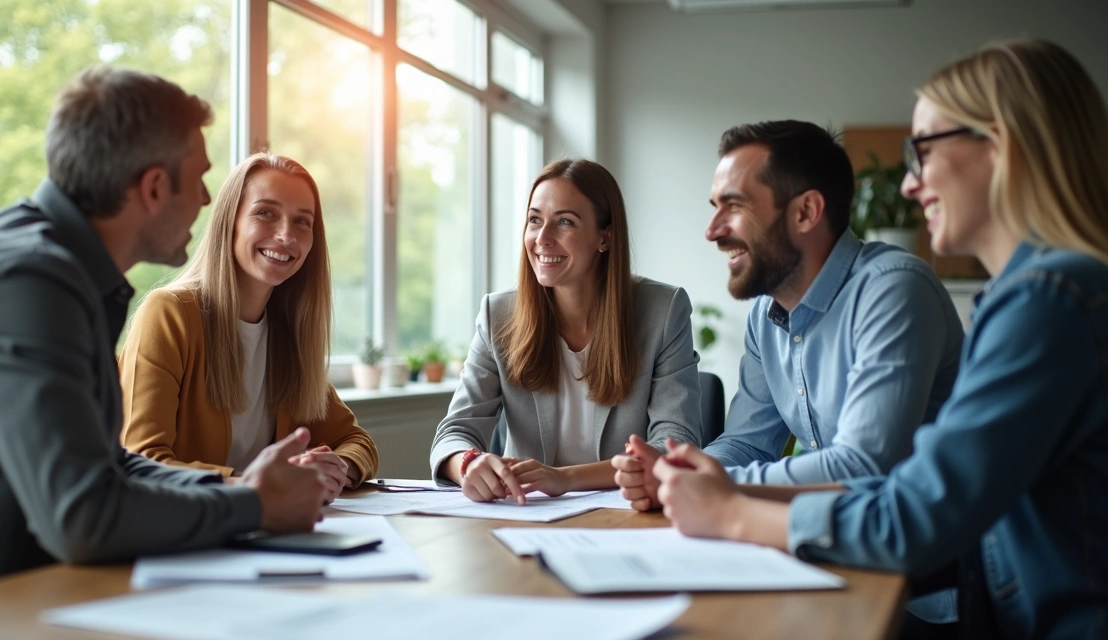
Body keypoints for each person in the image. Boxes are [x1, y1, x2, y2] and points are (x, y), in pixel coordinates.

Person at [653, 39, 1108, 638]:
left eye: (922, 151)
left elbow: (915, 511)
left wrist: (731, 508)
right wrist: (692, 474)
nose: (912, 185)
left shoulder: (1047, 299)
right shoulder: (1023, 295)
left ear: (1000, 146)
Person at [0, 67, 332, 597]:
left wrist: (238, 486)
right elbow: (83, 516)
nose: (204, 199)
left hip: (2, 591)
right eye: (198, 179)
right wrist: (254, 504)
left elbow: (110, 463)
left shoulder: (61, 272)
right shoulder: (27, 280)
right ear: (152, 187)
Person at [613, 120, 964, 508]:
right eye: (715, 208)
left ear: (806, 212)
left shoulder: (893, 291)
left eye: (734, 206)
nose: (712, 231)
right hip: (837, 533)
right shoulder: (766, 313)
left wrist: (710, 481)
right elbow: (747, 443)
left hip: (922, 552)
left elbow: (863, 465)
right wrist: (678, 474)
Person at [429, 158, 703, 504]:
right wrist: (469, 463)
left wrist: (566, 478)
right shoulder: (498, 315)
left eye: (564, 222)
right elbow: (454, 433)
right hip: (527, 513)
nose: (542, 239)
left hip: (626, 512)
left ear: (605, 236)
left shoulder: (662, 311)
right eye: (534, 220)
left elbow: (674, 446)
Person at [119, 152, 379, 503]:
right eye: (265, 213)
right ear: (231, 220)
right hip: (190, 535)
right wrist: (256, 487)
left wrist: (336, 468)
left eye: (302, 222)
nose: (286, 235)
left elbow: (358, 443)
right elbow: (141, 462)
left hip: (267, 531)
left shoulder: (289, 334)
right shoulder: (170, 314)